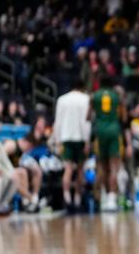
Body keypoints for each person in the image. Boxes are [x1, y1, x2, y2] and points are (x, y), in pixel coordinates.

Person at [90, 77, 130, 211]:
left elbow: (88, 116)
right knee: (114, 167)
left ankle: (105, 198)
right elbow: (124, 118)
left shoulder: (94, 95)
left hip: (100, 132)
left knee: (102, 167)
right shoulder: (116, 95)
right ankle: (112, 198)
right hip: (113, 130)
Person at [52, 80, 91, 212]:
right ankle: (78, 199)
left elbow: (57, 121)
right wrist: (87, 140)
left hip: (65, 137)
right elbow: (86, 122)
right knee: (80, 170)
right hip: (80, 137)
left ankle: (67, 198)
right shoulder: (85, 99)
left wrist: (57, 140)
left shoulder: (62, 100)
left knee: (67, 169)